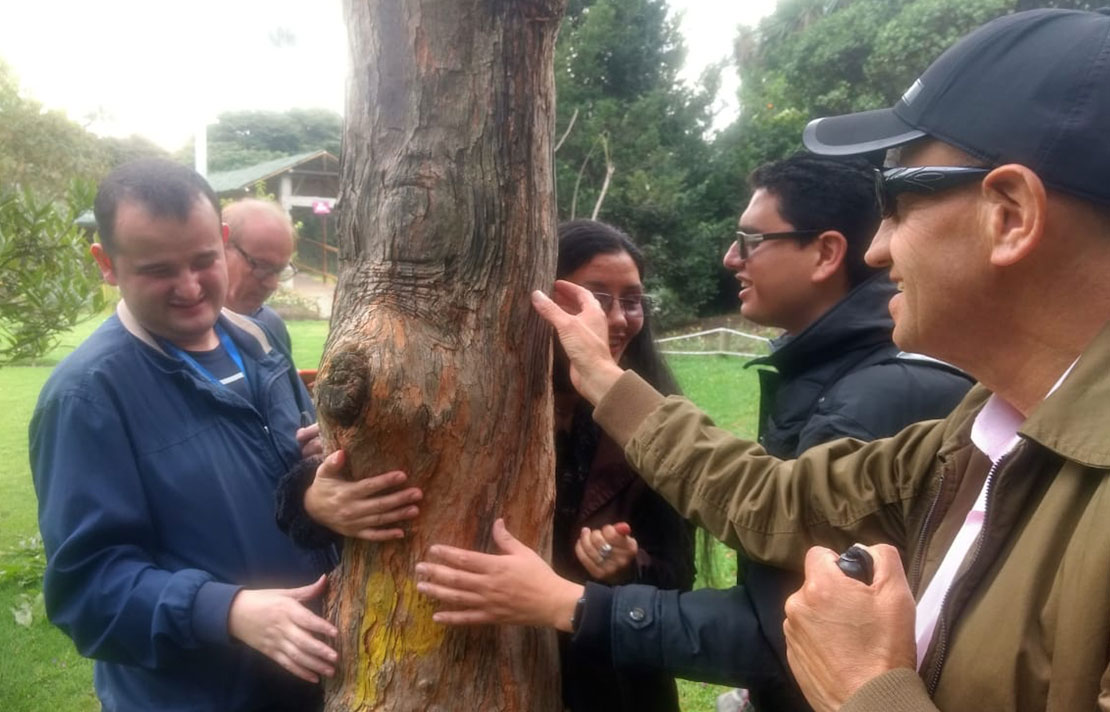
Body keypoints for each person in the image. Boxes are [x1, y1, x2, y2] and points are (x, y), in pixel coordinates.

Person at [527, 8, 1110, 712]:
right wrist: (601, 377)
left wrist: (865, 689)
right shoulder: (977, 439)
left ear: (1010, 214)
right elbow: (772, 498)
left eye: (896, 201)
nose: (877, 249)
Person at [415, 156, 971, 712]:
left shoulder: (867, 397)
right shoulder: (831, 381)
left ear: (825, 253)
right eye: (592, 296)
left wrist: (589, 592)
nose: (731, 258)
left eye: (751, 239)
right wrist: (323, 497)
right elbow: (769, 501)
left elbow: (783, 617)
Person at [29, 159, 416, 712]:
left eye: (203, 260)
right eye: (157, 269)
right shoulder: (88, 396)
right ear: (107, 264)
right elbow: (87, 592)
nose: (189, 287)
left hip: (311, 678)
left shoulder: (261, 339)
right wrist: (226, 610)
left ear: (224, 242)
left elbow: (266, 483)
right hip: (202, 694)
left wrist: (314, 488)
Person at [223, 198, 297, 354]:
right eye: (262, 266)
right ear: (222, 246)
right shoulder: (182, 329)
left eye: (279, 271)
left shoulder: (272, 327)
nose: (272, 284)